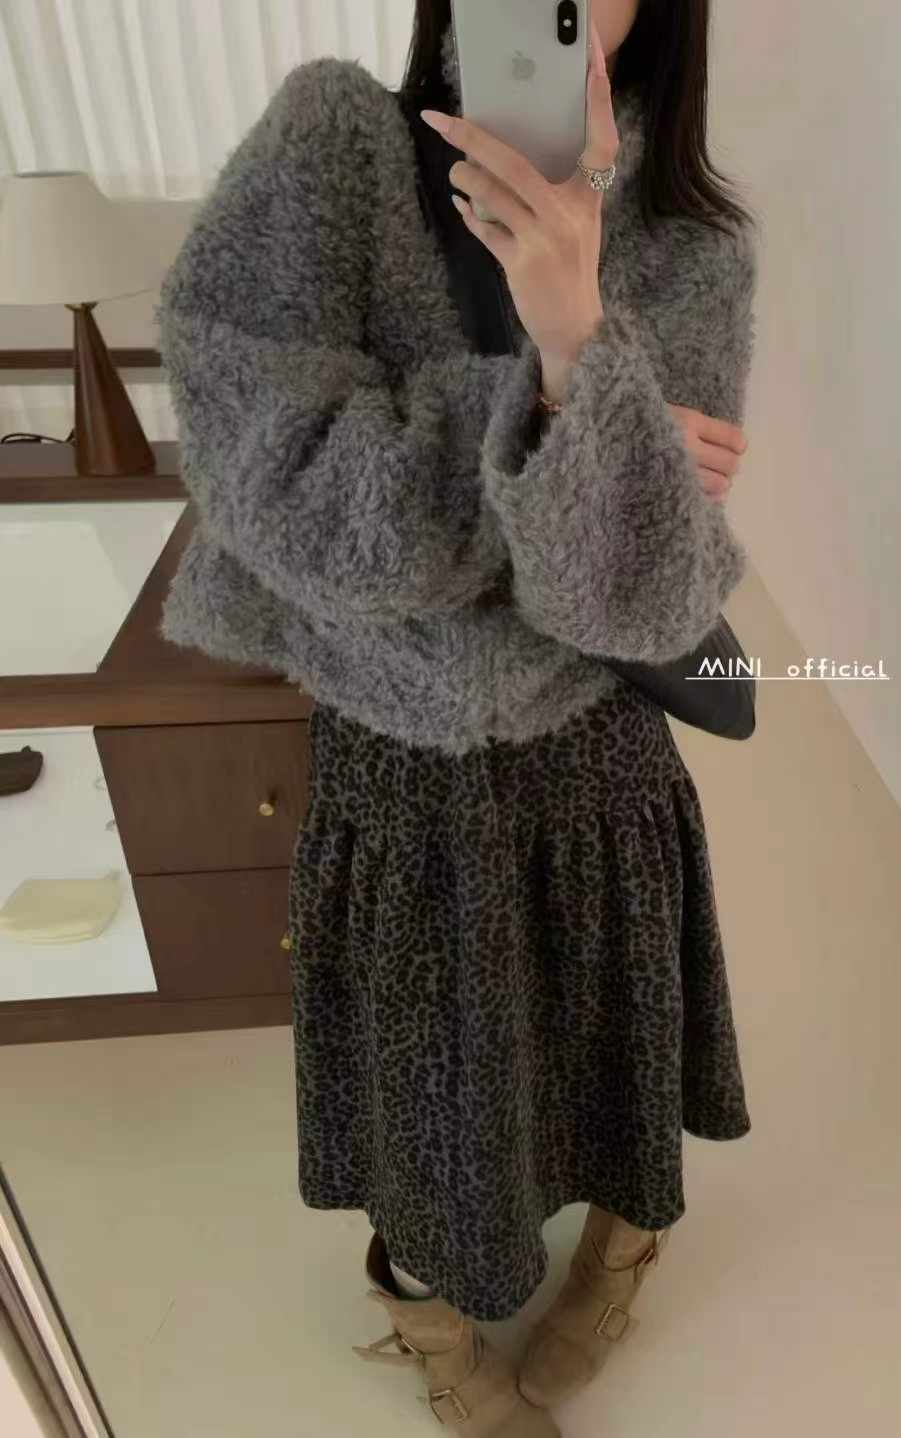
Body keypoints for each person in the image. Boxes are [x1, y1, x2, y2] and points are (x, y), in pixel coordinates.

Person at [155, 2, 758, 1433]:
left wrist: (578, 324)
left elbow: (634, 601)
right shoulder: (330, 145)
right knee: (424, 1098)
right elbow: (293, 498)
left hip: (597, 753)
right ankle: (428, 1312)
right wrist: (554, 413)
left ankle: (622, 1247)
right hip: (396, 766)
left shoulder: (694, 244)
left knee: (615, 1044)